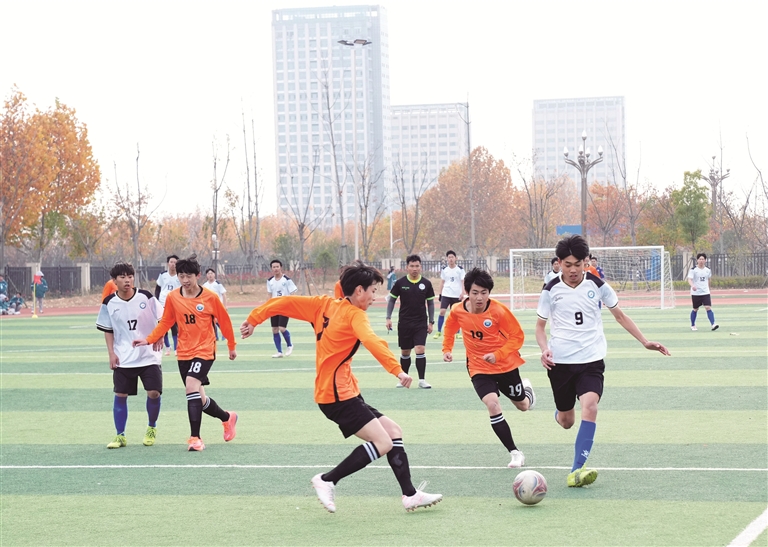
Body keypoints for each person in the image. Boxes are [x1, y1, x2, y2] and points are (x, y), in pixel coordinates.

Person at [239, 261, 442, 514]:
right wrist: (397, 370)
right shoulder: (355, 315)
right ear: (359, 290)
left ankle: (410, 495)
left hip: (342, 391)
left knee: (393, 432)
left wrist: (254, 319)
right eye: (373, 291)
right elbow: (372, 341)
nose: (374, 297)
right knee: (383, 442)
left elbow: (283, 302)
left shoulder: (323, 304)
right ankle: (327, 480)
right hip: (337, 396)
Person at [535, 235, 670, 487]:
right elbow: (540, 328)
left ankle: (576, 471)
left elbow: (620, 316)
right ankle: (560, 413)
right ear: (559, 263)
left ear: (586, 262)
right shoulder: (550, 289)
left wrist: (644, 341)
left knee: (590, 407)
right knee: (567, 422)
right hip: (560, 363)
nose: (573, 270)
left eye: (578, 264)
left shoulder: (598, 285)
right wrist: (544, 349)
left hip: (591, 361)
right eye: (567, 265)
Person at [134, 256, 238, 452]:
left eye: (189, 276)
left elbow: (224, 321)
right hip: (183, 352)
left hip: (205, 350)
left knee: (190, 386)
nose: (185, 280)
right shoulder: (173, 297)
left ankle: (195, 438)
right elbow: (166, 322)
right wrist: (149, 339)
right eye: (181, 276)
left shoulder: (210, 298)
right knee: (199, 399)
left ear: (197, 276)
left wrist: (231, 345)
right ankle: (227, 417)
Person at [442, 268, 535, 468]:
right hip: (478, 367)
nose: (479, 298)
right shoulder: (457, 310)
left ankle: (527, 392)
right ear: (467, 292)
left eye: (484, 293)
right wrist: (447, 349)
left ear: (489, 293)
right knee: (492, 405)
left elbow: (517, 337)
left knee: (523, 406)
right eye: (475, 292)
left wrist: (498, 355)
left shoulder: (499, 311)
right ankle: (515, 453)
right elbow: (450, 327)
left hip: (505, 365)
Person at [96, 263, 164, 449]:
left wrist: (159, 335)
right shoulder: (109, 302)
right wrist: (111, 353)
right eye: (123, 277)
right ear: (114, 281)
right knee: (120, 394)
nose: (127, 280)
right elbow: (108, 329)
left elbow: (164, 318)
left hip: (148, 354)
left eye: (130, 276)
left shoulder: (146, 297)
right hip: (123, 356)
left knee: (154, 392)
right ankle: (120, 435)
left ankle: (151, 427)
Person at [386, 255, 436, 389]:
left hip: (420, 322)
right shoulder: (400, 283)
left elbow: (431, 303)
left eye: (417, 266)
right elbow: (392, 300)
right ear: (407, 267)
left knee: (420, 349)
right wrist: (388, 318)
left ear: (420, 267)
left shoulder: (426, 283)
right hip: (405, 323)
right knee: (405, 352)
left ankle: (422, 380)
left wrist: (431, 322)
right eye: (412, 266)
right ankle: (404, 379)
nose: (415, 269)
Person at [266, 259, 297, 358]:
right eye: (274, 267)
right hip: (274, 307)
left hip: (284, 307)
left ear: (281, 267)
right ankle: (279, 352)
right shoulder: (270, 281)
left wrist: (291, 304)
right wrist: (267, 307)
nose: (276, 269)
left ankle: (290, 345)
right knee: (274, 329)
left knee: (282, 328)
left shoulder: (287, 280)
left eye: (277, 267)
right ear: (271, 268)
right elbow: (269, 295)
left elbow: (293, 293)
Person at [433, 250, 465, 340]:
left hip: (456, 295)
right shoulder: (444, 269)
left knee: (456, 314)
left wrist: (462, 292)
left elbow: (463, 281)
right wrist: (440, 293)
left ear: (456, 258)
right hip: (446, 294)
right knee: (442, 312)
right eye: (449, 257)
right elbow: (442, 282)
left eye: (452, 257)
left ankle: (457, 332)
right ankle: (439, 331)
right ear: (447, 259)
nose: (450, 259)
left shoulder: (460, 269)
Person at [155, 255, 181, 355]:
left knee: (174, 327)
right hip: (162, 304)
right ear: (168, 263)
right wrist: (156, 301)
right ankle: (167, 347)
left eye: (175, 262)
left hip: (175, 304)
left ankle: (176, 348)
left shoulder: (180, 275)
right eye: (171, 262)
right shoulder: (162, 275)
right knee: (163, 327)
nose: (173, 264)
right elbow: (158, 289)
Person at [688, 253, 718, 331]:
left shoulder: (708, 270)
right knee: (695, 309)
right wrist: (692, 286)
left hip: (705, 292)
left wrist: (708, 288)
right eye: (700, 259)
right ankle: (693, 325)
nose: (701, 261)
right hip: (696, 293)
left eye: (703, 259)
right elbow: (689, 279)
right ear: (697, 260)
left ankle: (713, 324)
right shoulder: (693, 270)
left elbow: (709, 279)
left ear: (705, 260)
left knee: (708, 307)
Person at [202, 268, 228, 341]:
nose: (210, 275)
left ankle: (224, 334)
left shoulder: (218, 284)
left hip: (217, 306)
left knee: (218, 321)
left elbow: (224, 295)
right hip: (208, 307)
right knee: (211, 322)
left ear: (214, 274)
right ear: (206, 275)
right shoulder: (205, 285)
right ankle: (215, 336)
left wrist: (225, 306)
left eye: (211, 273)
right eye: (208, 274)